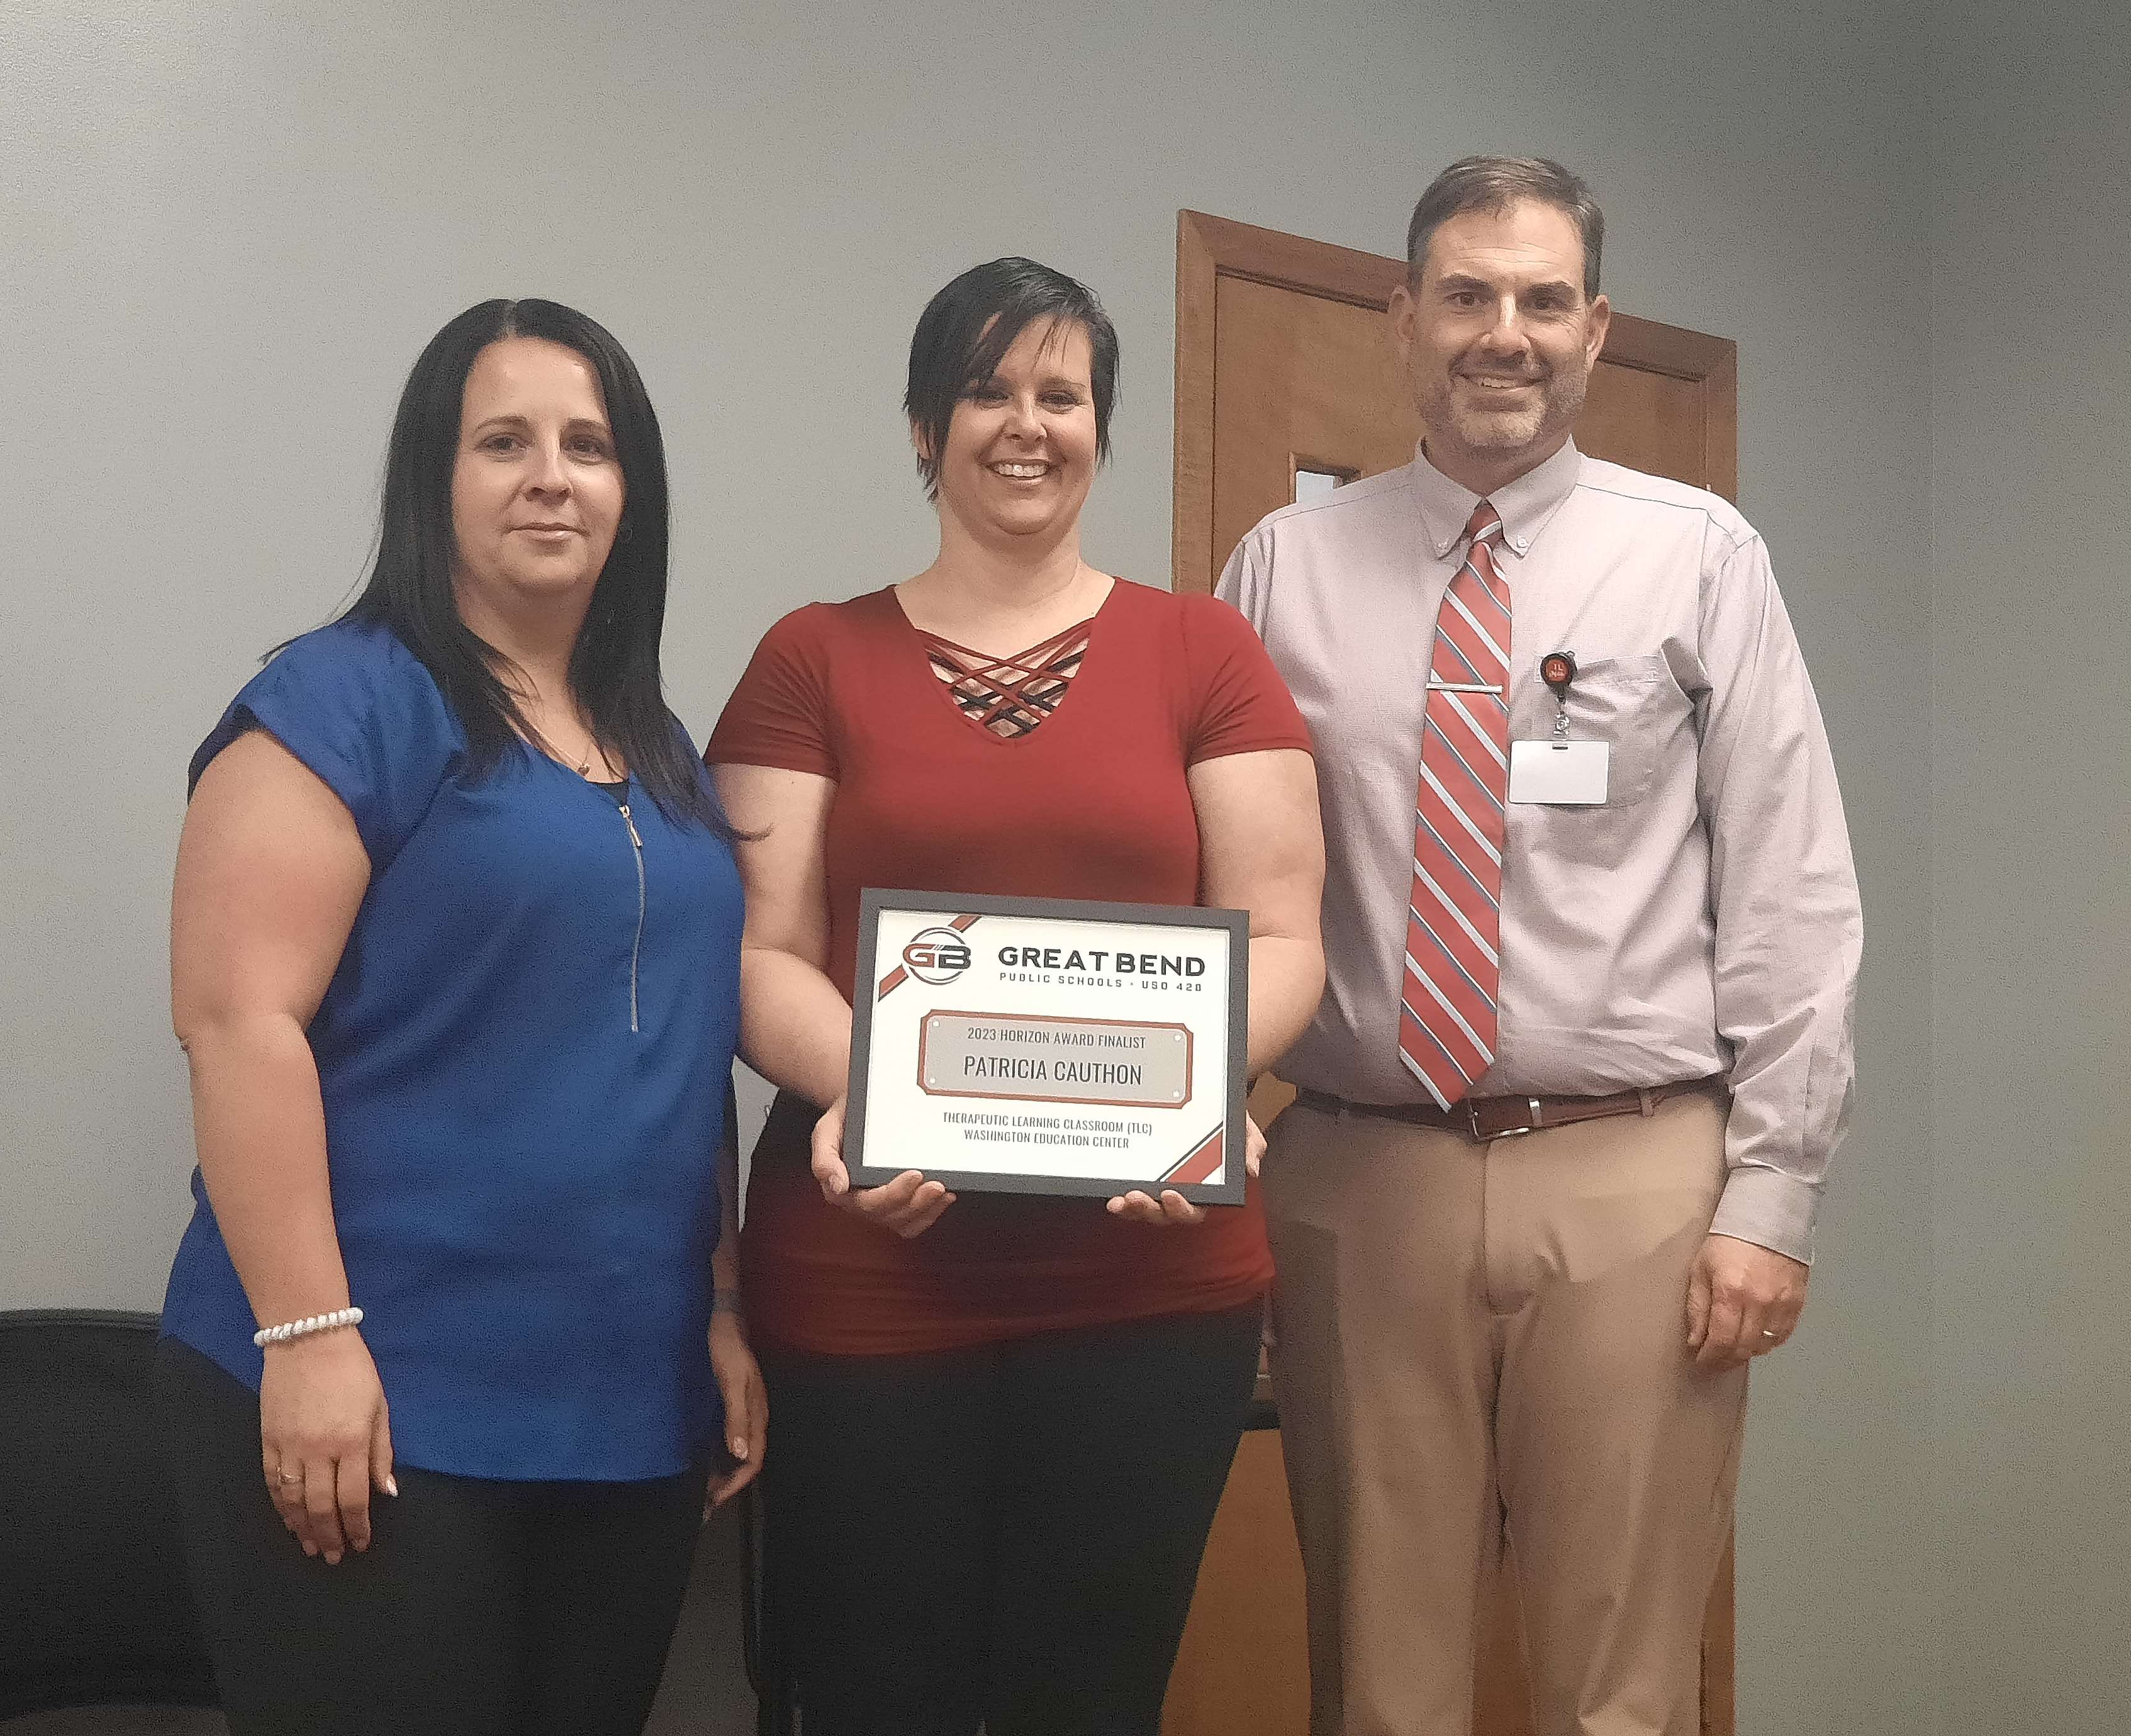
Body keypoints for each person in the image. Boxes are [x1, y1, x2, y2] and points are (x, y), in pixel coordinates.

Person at [1217, 157, 1864, 1736]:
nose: (1500, 333)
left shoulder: (1699, 555)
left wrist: (1771, 1201)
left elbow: (1789, 889)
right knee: (1377, 1688)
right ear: (1401, 318)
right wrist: (1201, 1131)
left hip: (1634, 1180)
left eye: (1540, 299)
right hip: (1360, 1179)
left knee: (1616, 1695)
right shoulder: (1280, 568)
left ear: (1594, 329)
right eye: (1464, 295)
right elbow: (1220, 889)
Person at [707, 257, 1326, 1736]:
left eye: (1063, 393)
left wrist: (1189, 1099)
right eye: (986, 390)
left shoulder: (1206, 654)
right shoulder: (811, 657)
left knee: (1091, 1699)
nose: (1027, 424)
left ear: (1101, 426)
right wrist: (882, 1096)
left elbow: (1285, 936)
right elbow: (755, 954)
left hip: (1149, 1281)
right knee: (871, 1697)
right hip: (869, 1269)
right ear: (925, 427)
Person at [154, 298, 761, 1736]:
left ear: (631, 490)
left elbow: (680, 1056)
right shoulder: (340, 701)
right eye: (504, 442)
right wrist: (308, 1336)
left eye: (588, 446)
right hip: (379, 1392)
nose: (551, 477)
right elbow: (237, 1021)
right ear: (434, 478)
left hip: (624, 1405)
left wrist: (723, 1306)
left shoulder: (659, 749)